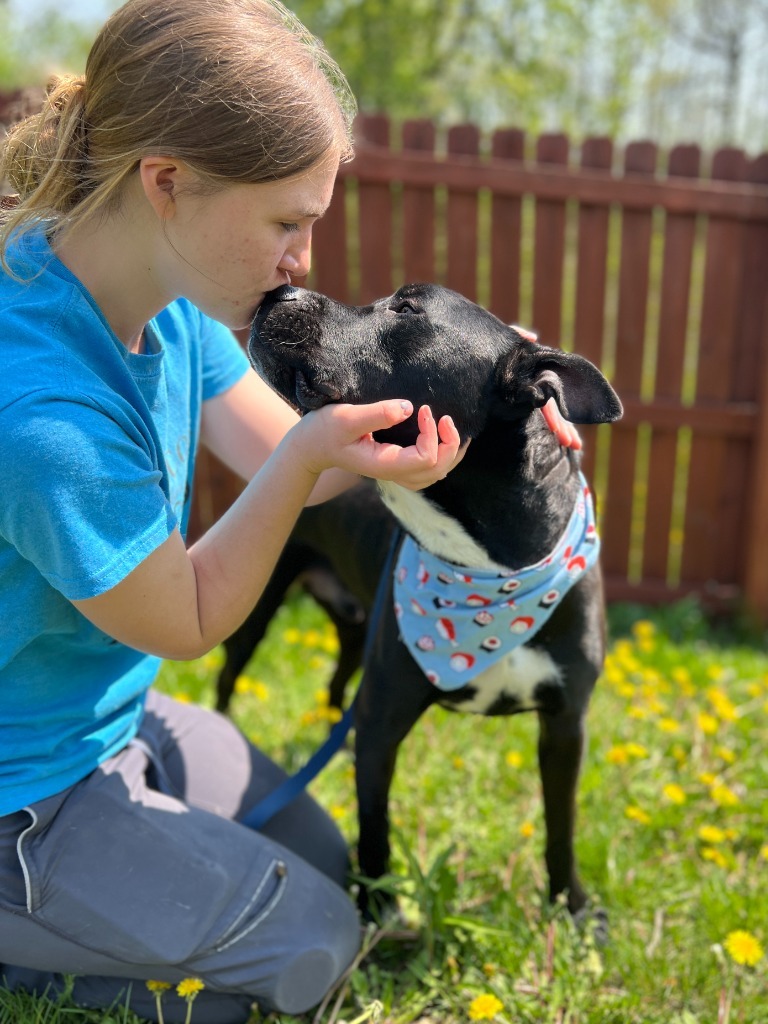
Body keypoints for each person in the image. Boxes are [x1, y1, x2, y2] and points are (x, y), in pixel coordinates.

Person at [0, 2, 578, 1020]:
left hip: (104, 723)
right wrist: (309, 453)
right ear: (168, 183)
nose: (304, 256)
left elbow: (305, 458)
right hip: (23, 790)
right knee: (306, 954)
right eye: (286, 222)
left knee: (316, 855)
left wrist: (493, 387)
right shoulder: (46, 412)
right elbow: (187, 618)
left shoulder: (161, 293)